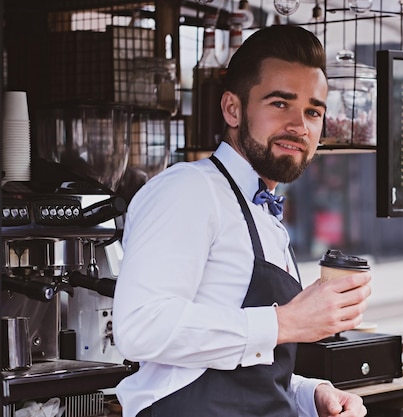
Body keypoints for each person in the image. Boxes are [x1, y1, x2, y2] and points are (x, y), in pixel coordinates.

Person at [112, 24, 372, 417]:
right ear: (233, 109)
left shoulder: (263, 212)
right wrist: (285, 322)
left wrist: (308, 394)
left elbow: (237, 365)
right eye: (280, 103)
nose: (300, 127)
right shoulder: (190, 190)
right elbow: (140, 328)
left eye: (312, 111)